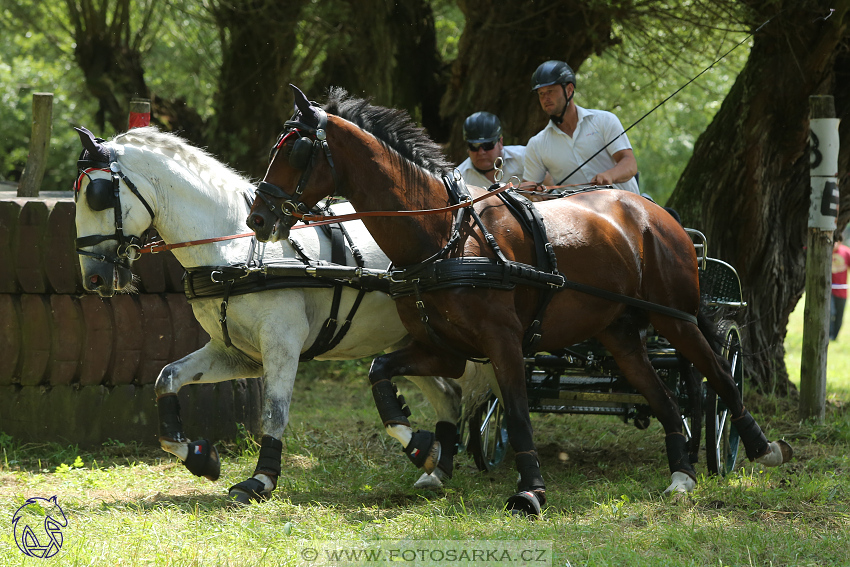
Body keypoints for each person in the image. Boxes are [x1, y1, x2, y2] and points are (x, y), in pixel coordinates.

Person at [522, 60, 639, 194]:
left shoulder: (605, 120)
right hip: (581, 214)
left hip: (625, 207)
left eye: (550, 91)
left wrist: (610, 175)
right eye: (541, 93)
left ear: (569, 89)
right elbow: (528, 188)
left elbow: (629, 163)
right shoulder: (536, 144)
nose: (545, 98)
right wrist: (528, 194)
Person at [456, 112, 525, 188]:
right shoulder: (458, 180)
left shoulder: (525, 158)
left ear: (500, 142)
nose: (481, 152)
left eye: (487, 145)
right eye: (474, 146)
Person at [831, 232, 850, 341]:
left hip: (842, 291)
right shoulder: (825, 251)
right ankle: (828, 335)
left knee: (839, 316)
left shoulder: (846, 252)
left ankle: (834, 337)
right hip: (829, 291)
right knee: (830, 312)